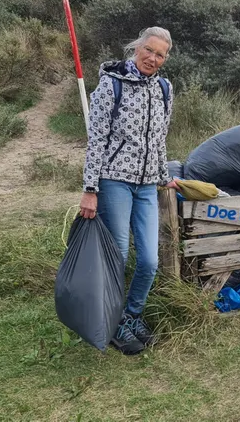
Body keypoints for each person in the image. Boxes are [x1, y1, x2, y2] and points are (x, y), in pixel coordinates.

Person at [78, 26, 178, 354]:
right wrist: (90, 188)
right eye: (148, 50)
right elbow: (96, 140)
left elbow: (159, 139)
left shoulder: (164, 89)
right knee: (118, 256)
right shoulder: (112, 84)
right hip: (114, 182)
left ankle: (131, 316)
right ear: (136, 48)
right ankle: (111, 320)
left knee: (149, 260)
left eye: (159, 54)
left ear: (165, 59)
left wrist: (164, 177)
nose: (152, 58)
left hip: (148, 186)